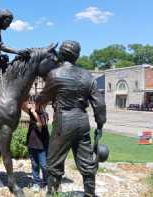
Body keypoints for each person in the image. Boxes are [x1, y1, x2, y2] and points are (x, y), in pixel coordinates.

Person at [35, 40, 106, 196]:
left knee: (54, 163)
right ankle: (89, 194)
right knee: (87, 163)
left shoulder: (54, 74)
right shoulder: (87, 75)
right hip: (82, 120)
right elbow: (99, 104)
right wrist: (100, 125)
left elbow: (42, 99)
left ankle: (53, 194)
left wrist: (37, 100)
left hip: (63, 121)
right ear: (77, 56)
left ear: (61, 54)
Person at [22, 98, 50, 192]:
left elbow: (40, 124)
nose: (34, 105)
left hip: (42, 145)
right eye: (33, 103)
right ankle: (36, 182)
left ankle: (46, 182)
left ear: (40, 105)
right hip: (32, 144)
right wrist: (26, 103)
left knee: (44, 165)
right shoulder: (31, 113)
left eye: (35, 103)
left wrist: (34, 112)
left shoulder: (44, 115)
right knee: (34, 165)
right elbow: (22, 106)